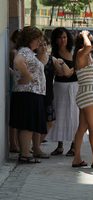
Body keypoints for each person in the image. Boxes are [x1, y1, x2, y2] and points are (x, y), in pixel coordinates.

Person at [9, 26, 46, 163]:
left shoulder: (29, 52)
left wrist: (41, 54)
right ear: (30, 39)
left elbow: (39, 65)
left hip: (30, 93)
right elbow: (18, 61)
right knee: (27, 125)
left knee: (28, 125)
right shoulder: (24, 51)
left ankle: (25, 153)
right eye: (37, 39)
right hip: (27, 93)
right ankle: (25, 154)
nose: (39, 42)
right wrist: (28, 76)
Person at [36, 36, 74, 149]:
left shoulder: (52, 59)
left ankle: (36, 145)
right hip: (34, 93)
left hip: (48, 93)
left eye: (44, 45)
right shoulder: (32, 59)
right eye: (40, 45)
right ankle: (35, 147)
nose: (43, 47)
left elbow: (63, 73)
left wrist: (64, 66)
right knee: (36, 121)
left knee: (50, 121)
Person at [72, 30, 93, 168]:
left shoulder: (87, 55)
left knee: (82, 128)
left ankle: (76, 159)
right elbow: (88, 46)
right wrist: (84, 34)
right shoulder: (81, 53)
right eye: (90, 39)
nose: (91, 42)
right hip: (87, 94)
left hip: (87, 92)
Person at [47, 27, 78, 156]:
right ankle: (59, 146)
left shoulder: (74, 51)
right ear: (55, 39)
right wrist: (70, 70)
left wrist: (69, 70)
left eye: (64, 37)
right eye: (59, 38)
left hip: (75, 86)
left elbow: (74, 70)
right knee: (59, 115)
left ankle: (74, 145)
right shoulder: (53, 54)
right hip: (59, 87)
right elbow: (62, 73)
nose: (62, 40)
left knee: (74, 115)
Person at [9, 29, 21, 153]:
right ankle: (13, 143)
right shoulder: (14, 52)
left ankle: (16, 143)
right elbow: (11, 68)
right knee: (15, 116)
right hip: (15, 84)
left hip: (19, 83)